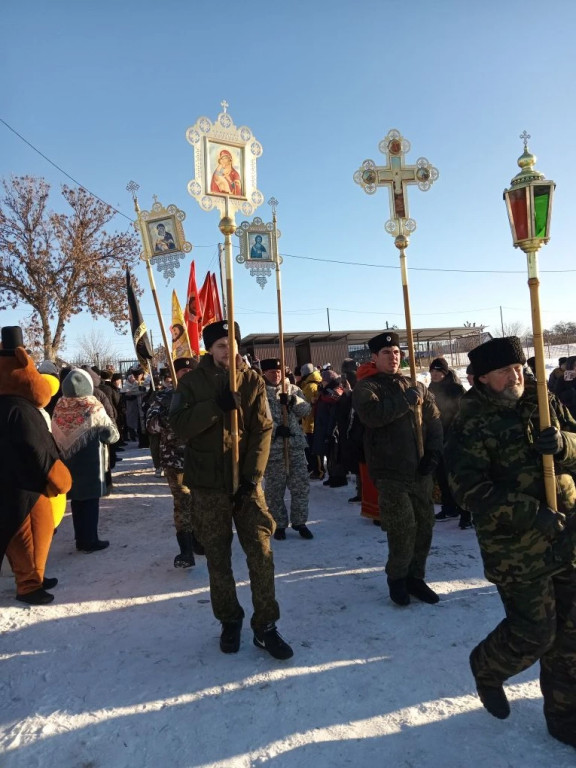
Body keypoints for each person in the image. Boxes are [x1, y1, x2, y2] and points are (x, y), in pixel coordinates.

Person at [444, 336, 576, 748]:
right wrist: (529, 512)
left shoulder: (543, 400)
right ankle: (487, 667)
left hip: (566, 534)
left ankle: (564, 716)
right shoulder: (470, 420)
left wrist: (564, 445)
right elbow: (467, 489)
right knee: (535, 632)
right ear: (482, 378)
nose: (517, 376)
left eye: (519, 368)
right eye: (505, 371)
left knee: (570, 635)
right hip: (517, 549)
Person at [170, 320, 293, 660]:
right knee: (217, 557)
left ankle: (266, 625)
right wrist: (215, 407)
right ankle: (229, 619)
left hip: (246, 485)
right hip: (208, 486)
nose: (228, 350)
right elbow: (179, 427)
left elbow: (263, 430)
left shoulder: (251, 380)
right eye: (221, 345)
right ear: (209, 349)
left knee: (261, 554)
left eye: (232, 344)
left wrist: (251, 479)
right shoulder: (191, 383)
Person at [352, 331, 443, 607]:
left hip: (420, 470)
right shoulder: (367, 387)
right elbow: (373, 416)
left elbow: (434, 420)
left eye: (396, 353)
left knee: (424, 526)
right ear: (374, 357)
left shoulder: (415, 384)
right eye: (386, 353)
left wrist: (433, 453)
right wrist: (406, 400)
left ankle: (416, 577)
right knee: (403, 527)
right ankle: (397, 577)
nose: (393, 357)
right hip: (390, 472)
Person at [52, 369, 119, 552]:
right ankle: (90, 540)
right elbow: (111, 435)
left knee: (76, 501)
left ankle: (80, 538)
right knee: (90, 502)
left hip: (68, 462)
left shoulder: (60, 406)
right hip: (91, 464)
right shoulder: (92, 406)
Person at [145, 358, 203, 568]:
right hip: (175, 459)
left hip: (201, 458)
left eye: (190, 370)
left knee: (200, 500)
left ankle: (198, 538)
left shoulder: (203, 395)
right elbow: (150, 426)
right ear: (174, 374)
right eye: (182, 370)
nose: (186, 373)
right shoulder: (163, 397)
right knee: (183, 501)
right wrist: (171, 414)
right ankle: (185, 550)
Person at [260, 358, 313, 541]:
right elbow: (257, 419)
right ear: (264, 373)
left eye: (279, 371)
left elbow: (306, 411)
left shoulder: (292, 389)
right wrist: (275, 429)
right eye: (272, 372)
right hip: (274, 449)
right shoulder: (260, 393)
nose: (276, 375)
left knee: (300, 487)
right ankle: (279, 524)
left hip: (295, 446)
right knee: (274, 491)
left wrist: (293, 401)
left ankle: (300, 522)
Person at [427, 357, 469, 527]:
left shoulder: (456, 389)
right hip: (438, 437)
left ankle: (466, 514)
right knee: (442, 476)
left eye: (438, 371)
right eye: (432, 371)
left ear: (445, 373)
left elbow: (464, 413)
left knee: (458, 478)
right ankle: (449, 507)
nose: (434, 374)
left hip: (455, 438)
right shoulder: (431, 388)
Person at [300, 363, 323, 478]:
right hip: (312, 422)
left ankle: (318, 471)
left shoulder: (309, 387)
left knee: (314, 449)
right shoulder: (314, 384)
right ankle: (315, 469)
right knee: (312, 447)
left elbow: (307, 406)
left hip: (310, 422)